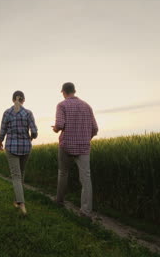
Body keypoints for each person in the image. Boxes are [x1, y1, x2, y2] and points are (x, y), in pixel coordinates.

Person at [52, 82, 98, 218]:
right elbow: (95, 128)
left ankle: (59, 201)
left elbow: (59, 125)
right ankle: (85, 211)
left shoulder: (62, 105)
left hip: (66, 145)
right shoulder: (87, 106)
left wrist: (55, 129)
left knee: (63, 173)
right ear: (74, 91)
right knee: (86, 178)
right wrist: (85, 138)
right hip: (84, 147)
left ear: (64, 92)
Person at [0, 90, 38, 215]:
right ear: (23, 100)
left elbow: (3, 130)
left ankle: (21, 203)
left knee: (16, 176)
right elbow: (34, 131)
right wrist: (31, 137)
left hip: (11, 147)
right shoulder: (28, 113)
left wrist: (0, 141)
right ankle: (18, 200)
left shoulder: (7, 113)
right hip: (26, 148)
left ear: (13, 100)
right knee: (21, 174)